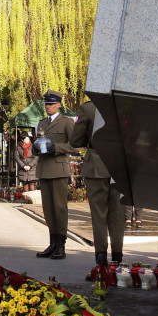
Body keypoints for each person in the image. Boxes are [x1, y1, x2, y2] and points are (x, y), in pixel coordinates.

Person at [71, 101, 124, 265]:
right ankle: (117, 260)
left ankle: (101, 260)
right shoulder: (123, 105)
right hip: (120, 165)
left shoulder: (88, 108)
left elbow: (75, 141)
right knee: (118, 215)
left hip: (96, 165)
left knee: (99, 214)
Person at [33, 90, 77, 260]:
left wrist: (57, 148)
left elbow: (76, 145)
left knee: (60, 208)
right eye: (46, 104)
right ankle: (52, 243)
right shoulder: (41, 123)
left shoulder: (66, 122)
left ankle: (61, 245)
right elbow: (39, 143)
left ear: (59, 104)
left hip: (58, 169)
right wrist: (36, 149)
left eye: (51, 104)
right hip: (44, 169)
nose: (48, 107)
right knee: (48, 209)